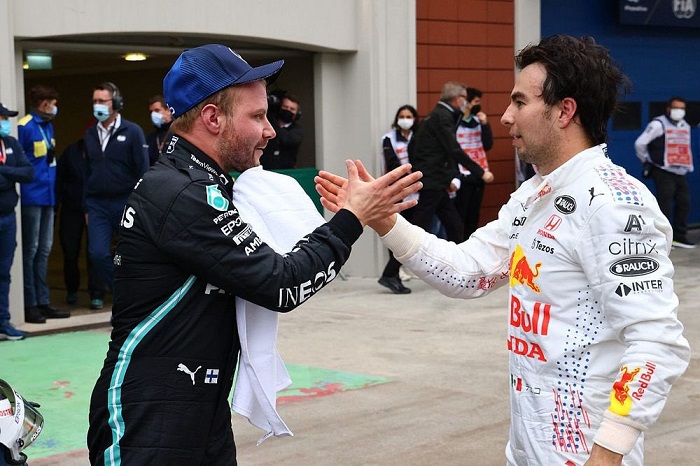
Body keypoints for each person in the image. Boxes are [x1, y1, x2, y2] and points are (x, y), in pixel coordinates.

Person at [317, 35, 691, 465]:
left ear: (564, 111)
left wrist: (608, 454)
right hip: (528, 447)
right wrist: (384, 219)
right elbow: (469, 272)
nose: (506, 116)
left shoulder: (613, 203)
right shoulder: (534, 195)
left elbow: (656, 341)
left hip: (585, 452)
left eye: (519, 101)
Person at [87, 43, 421, 465]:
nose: (271, 131)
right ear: (213, 118)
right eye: (258, 116)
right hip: (148, 419)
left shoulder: (202, 182)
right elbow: (280, 284)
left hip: (196, 410)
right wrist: (351, 219)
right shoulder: (182, 191)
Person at [83, 82, 149, 294]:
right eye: (95, 101)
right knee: (98, 254)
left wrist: (141, 205)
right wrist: (86, 207)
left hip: (125, 201)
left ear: (116, 103)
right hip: (97, 205)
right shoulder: (90, 134)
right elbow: (86, 172)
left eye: (102, 101)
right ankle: (122, 293)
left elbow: (143, 170)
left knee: (133, 253)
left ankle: (136, 295)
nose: (98, 105)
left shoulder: (132, 131)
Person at [408, 81, 490, 243]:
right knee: (421, 224)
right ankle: (399, 257)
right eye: (465, 98)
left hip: (436, 180)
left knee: (454, 224)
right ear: (457, 99)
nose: (466, 102)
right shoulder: (443, 117)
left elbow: (415, 147)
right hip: (433, 180)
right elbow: (453, 150)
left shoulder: (436, 115)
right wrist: (481, 172)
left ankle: (459, 256)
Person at [17, 85, 70, 324]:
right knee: (31, 251)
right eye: (53, 103)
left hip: (48, 197)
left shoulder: (48, 126)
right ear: (44, 103)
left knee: (45, 250)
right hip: (31, 197)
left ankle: (43, 301)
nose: (55, 108)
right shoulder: (25, 127)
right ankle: (30, 304)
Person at [634, 96, 695, 248]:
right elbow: (640, 143)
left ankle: (679, 236)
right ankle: (662, 238)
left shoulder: (684, 125)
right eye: (676, 108)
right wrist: (646, 161)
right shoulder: (658, 124)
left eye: (682, 108)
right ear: (668, 109)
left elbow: (685, 147)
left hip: (680, 171)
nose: (679, 111)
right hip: (663, 170)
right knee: (664, 204)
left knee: (684, 202)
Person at [55, 138, 105, 309]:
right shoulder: (71, 152)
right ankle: (71, 289)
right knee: (70, 252)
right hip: (72, 208)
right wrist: (55, 207)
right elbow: (59, 179)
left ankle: (97, 294)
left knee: (95, 253)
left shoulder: (106, 152)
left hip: (96, 208)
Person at [0, 103, 33, 340]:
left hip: (8, 218)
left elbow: (28, 173)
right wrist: (11, 174)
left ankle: (3, 321)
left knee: (4, 272)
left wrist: (3, 171)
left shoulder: (10, 143)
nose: (5, 122)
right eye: (2, 118)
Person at [377, 104, 419, 294]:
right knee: (396, 233)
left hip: (416, 192)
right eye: (402, 116)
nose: (405, 119)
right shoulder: (389, 139)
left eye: (409, 116)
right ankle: (391, 274)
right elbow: (392, 163)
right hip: (395, 193)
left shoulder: (418, 137)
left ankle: (394, 272)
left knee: (410, 233)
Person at [453, 87, 495, 239]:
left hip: (480, 173)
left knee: (473, 213)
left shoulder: (478, 121)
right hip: (461, 174)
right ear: (467, 102)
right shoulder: (455, 121)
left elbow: (487, 145)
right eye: (476, 101)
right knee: (460, 214)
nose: (479, 104)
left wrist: (485, 124)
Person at [259, 92, 303, 169]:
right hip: (264, 170)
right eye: (285, 107)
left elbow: (287, 140)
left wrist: (272, 120)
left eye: (292, 109)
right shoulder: (266, 125)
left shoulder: (297, 130)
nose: (288, 110)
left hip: (287, 172)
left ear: (297, 113)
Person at [146, 94, 173, 166]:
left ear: (168, 110)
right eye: (151, 112)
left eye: (157, 110)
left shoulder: (178, 133)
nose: (153, 114)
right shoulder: (150, 137)